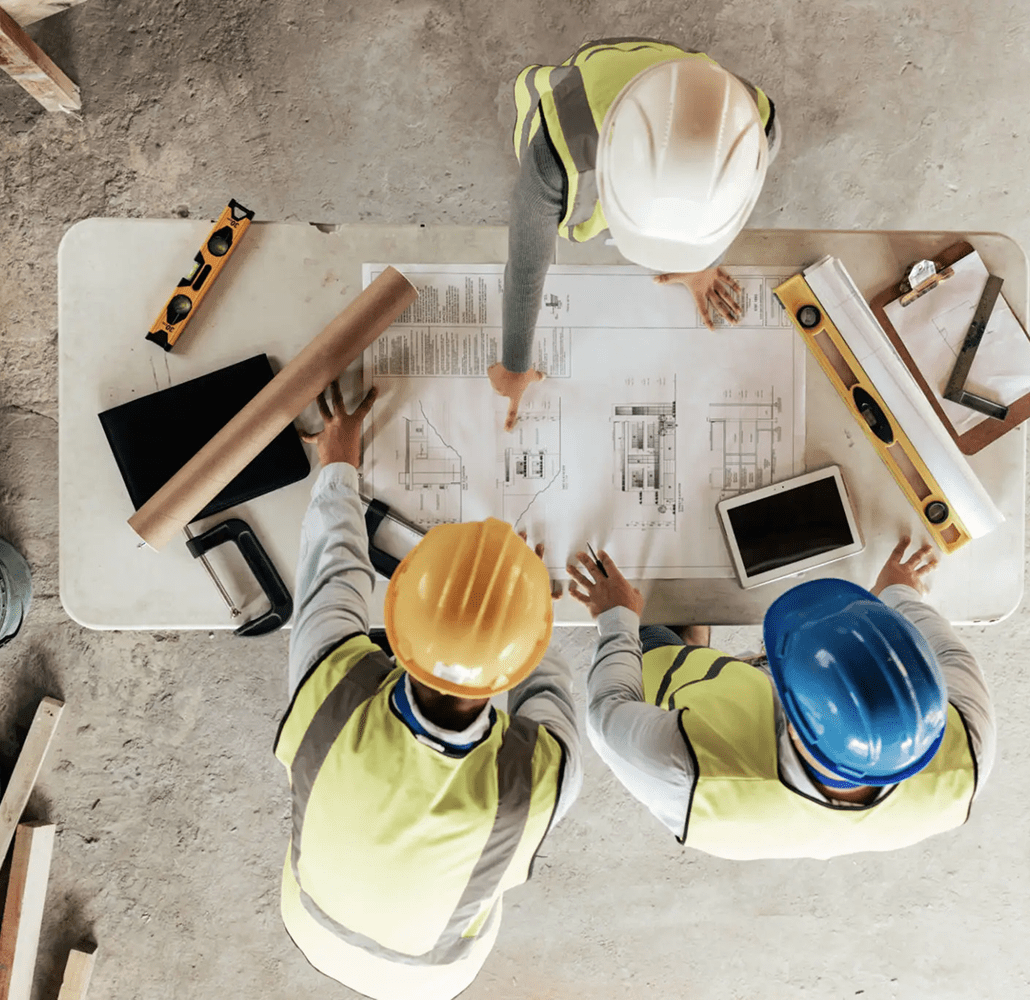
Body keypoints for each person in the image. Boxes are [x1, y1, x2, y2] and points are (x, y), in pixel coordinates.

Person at [275, 380, 582, 1000]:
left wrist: (339, 459)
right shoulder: (533, 780)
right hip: (432, 974)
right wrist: (517, 606)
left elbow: (332, 566)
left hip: (311, 916)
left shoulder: (331, 685)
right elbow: (541, 681)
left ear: (398, 615)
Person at [567, 538, 994, 859]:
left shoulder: (688, 770)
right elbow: (951, 655)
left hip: (704, 727)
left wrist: (617, 617)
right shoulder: (969, 748)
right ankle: (695, 643)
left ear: (786, 710)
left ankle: (686, 649)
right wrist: (898, 594)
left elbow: (608, 712)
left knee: (655, 641)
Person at [489, 37, 782, 430]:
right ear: (606, 175)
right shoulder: (557, 148)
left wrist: (702, 263)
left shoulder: (752, 127)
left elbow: (725, 199)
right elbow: (526, 266)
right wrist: (514, 363)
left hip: (671, 78)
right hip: (592, 83)